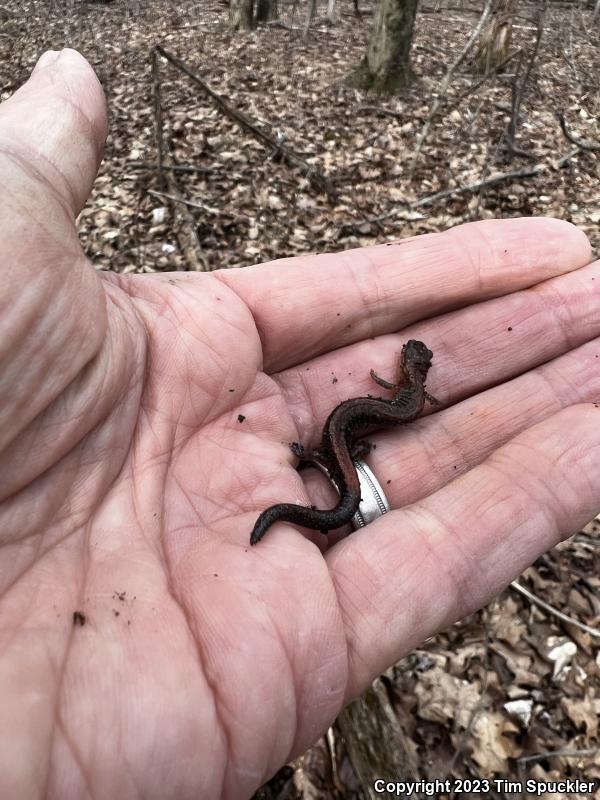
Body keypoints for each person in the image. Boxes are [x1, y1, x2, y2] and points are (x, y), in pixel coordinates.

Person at [1, 48, 598, 800]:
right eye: (414, 363)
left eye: (411, 363)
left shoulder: (405, 396)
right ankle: (301, 498)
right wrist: (361, 426)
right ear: (420, 372)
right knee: (340, 455)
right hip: (349, 441)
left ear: (415, 372)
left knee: (337, 461)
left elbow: (390, 407)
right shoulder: (409, 393)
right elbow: (392, 403)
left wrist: (348, 435)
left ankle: (303, 496)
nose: (410, 363)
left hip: (346, 443)